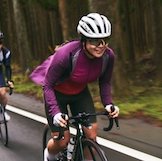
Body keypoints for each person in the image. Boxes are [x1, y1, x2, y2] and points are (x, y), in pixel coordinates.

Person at [39, 13, 119, 161]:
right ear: (83, 40)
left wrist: (108, 104)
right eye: (95, 41)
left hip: (80, 93)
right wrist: (56, 113)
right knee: (62, 141)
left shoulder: (108, 56)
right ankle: (49, 156)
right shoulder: (66, 54)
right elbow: (47, 85)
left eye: (105, 40)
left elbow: (105, 82)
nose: (101, 45)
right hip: (57, 94)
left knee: (91, 137)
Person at [0, 30, 14, 121]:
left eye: (0, 43)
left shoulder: (5, 52)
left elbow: (7, 67)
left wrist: (9, 80)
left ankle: (3, 110)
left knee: (2, 93)